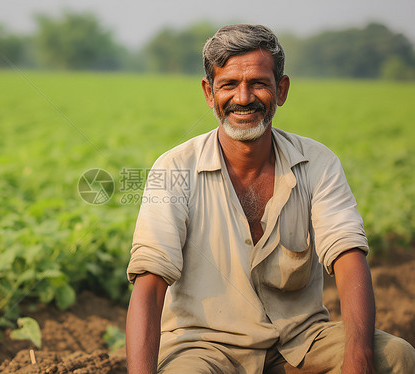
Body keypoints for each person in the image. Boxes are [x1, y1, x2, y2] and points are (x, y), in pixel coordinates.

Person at [125, 24, 415, 373]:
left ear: (281, 89)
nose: (243, 97)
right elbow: (150, 282)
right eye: (229, 84)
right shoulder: (173, 169)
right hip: (204, 347)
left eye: (258, 83)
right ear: (208, 92)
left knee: (395, 357)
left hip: (300, 342)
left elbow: (348, 255)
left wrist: (360, 357)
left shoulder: (317, 163)